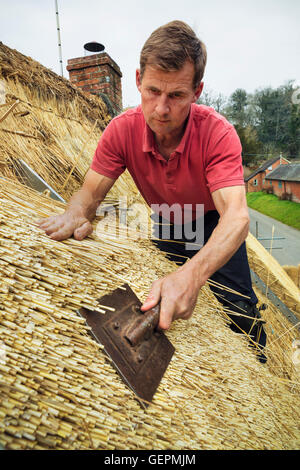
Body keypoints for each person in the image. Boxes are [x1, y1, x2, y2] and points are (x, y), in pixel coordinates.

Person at [38, 20, 267, 361]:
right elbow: (89, 194)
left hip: (212, 221)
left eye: (176, 96)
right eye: (152, 92)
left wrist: (193, 274)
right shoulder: (120, 131)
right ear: (137, 81)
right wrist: (75, 213)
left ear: (197, 91)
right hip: (167, 220)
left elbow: (236, 217)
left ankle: (258, 361)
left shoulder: (218, 133)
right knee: (160, 302)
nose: (161, 109)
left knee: (237, 305)